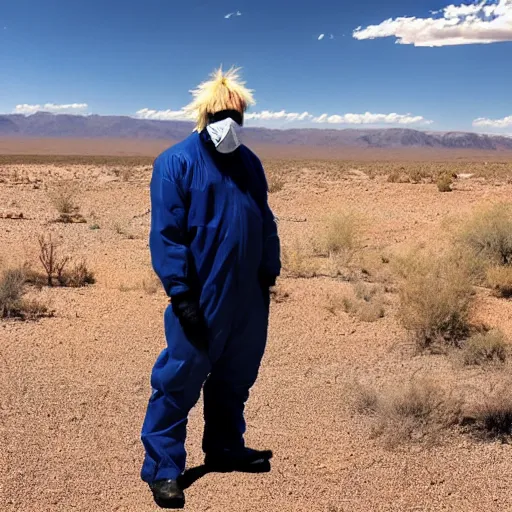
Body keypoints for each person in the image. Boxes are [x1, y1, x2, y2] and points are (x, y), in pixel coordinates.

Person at [140, 66, 281, 509]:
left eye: (237, 117)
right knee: (179, 379)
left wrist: (268, 271)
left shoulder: (250, 163)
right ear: (204, 115)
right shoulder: (176, 162)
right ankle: (163, 469)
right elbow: (167, 234)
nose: (230, 125)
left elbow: (266, 219)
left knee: (236, 377)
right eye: (222, 115)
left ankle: (223, 449)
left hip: (247, 297)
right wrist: (181, 296)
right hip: (202, 296)